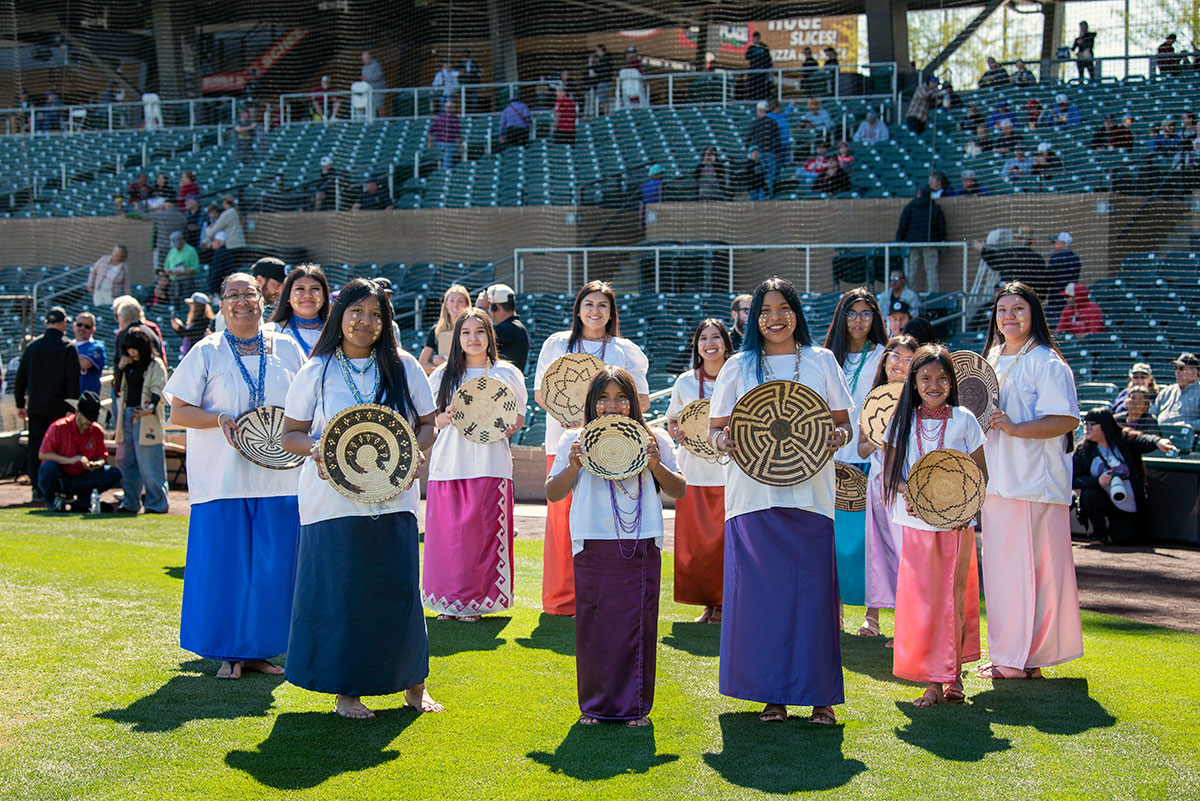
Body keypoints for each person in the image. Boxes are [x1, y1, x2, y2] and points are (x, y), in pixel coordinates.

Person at [281, 278, 442, 718]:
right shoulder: (316, 370)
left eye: (375, 314)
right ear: (339, 315)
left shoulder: (404, 366)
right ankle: (347, 691)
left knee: (399, 590)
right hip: (331, 502)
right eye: (356, 311)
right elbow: (290, 434)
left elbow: (428, 424)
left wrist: (414, 452)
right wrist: (320, 449)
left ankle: (414, 685)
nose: (365, 321)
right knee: (344, 593)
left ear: (385, 321)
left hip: (394, 498)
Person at [709, 276, 852, 725]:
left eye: (784, 308)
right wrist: (724, 442)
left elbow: (844, 424)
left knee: (813, 597)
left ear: (796, 313)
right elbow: (715, 431)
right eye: (766, 310)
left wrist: (838, 436)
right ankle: (771, 695)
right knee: (764, 599)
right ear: (754, 318)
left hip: (812, 496)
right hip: (753, 498)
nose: (775, 318)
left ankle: (821, 696)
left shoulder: (822, 360)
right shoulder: (738, 366)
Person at [165, 273, 304, 678]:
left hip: (280, 479)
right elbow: (179, 411)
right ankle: (228, 651)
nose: (242, 301)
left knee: (273, 569)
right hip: (221, 480)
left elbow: (307, 403)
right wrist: (218, 418)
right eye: (232, 295)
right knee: (224, 568)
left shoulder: (287, 347)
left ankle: (260, 650)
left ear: (263, 300)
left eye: (249, 293)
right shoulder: (207, 350)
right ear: (221, 304)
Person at [547, 366, 684, 726]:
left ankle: (635, 707)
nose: (612, 405)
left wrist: (655, 464)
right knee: (594, 625)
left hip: (641, 540)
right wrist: (573, 465)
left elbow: (679, 489)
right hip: (592, 540)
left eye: (621, 397)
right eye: (603, 398)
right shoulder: (573, 439)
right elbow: (553, 492)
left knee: (637, 624)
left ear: (633, 402)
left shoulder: (654, 438)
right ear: (592, 402)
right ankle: (594, 706)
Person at [979, 281, 1083, 680]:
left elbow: (1066, 419)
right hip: (997, 482)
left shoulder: (1046, 361)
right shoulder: (990, 358)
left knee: (1028, 573)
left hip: (1032, 484)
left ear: (1034, 314)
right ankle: (1012, 655)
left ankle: (1020, 659)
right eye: (1002, 310)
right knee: (1003, 574)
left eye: (1018, 309)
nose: (1009, 316)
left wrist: (1017, 428)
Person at [534, 281, 650, 617]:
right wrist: (571, 416)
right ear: (578, 309)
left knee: (604, 518)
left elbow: (641, 400)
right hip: (565, 444)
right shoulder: (557, 344)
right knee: (562, 523)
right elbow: (542, 392)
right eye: (589, 304)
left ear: (612, 312)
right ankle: (562, 600)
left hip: (613, 448)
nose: (595, 311)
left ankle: (603, 595)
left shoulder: (624, 350)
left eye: (602, 305)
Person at [883, 344, 987, 706]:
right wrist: (912, 494)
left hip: (956, 526)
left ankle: (951, 676)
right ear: (913, 382)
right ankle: (932, 680)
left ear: (952, 382)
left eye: (942, 378)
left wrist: (961, 505)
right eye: (925, 377)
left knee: (953, 599)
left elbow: (980, 474)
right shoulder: (901, 421)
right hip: (916, 525)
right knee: (923, 603)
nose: (934, 384)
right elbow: (891, 476)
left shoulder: (964, 420)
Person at [424, 309, 526, 621]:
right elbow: (430, 421)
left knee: (480, 536)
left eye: (479, 331)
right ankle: (447, 602)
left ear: (490, 336)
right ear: (457, 338)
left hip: (490, 463)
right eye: (466, 332)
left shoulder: (506, 373)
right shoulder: (442, 375)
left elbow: (518, 417)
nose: (473, 338)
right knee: (449, 537)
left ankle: (477, 602)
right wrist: (446, 417)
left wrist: (508, 426)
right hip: (449, 463)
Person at [824, 289, 888, 614]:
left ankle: (871, 614)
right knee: (834, 540)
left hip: (868, 457)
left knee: (868, 539)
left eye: (866, 313)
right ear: (841, 317)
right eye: (852, 313)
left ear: (875, 317)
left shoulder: (883, 356)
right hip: (831, 458)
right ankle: (833, 611)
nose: (858, 320)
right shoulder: (827, 358)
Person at [666, 319, 732, 624]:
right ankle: (707, 603)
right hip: (692, 471)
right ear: (697, 345)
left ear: (726, 343)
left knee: (723, 540)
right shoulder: (685, 381)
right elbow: (673, 421)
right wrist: (678, 432)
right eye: (703, 338)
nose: (709, 343)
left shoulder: (738, 376)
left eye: (716, 337)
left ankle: (724, 602)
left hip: (729, 471)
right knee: (697, 541)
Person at [856, 334, 918, 641]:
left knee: (907, 550)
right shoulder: (873, 400)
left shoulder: (921, 398)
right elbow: (861, 450)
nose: (901, 364)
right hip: (879, 482)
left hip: (907, 482)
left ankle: (909, 625)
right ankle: (873, 619)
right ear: (885, 361)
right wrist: (874, 437)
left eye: (909, 359)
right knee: (878, 549)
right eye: (896, 357)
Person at [1073, 408, 1175, 545]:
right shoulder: (1083, 450)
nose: (1087, 428)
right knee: (1089, 494)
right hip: (1101, 497)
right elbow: (1074, 479)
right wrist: (1097, 481)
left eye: (1091, 424)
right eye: (1086, 424)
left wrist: (1158, 442)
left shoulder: (1125, 439)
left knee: (1124, 538)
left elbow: (1144, 440)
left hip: (1126, 499)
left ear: (1105, 425)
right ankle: (1099, 534)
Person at [15, 307, 79, 501]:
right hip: (59, 409)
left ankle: (38, 488)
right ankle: (57, 489)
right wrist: (72, 408)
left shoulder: (33, 346)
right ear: (63, 324)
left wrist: (20, 404)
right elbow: (73, 381)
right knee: (59, 448)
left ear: (46, 323)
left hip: (36, 407)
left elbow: (20, 378)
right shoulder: (67, 347)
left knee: (36, 447)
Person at [112, 326, 169, 516]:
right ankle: (130, 502)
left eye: (134, 348)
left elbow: (158, 389)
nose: (132, 352)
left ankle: (157, 503)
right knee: (126, 461)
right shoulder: (127, 363)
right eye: (128, 349)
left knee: (150, 462)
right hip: (127, 414)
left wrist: (148, 409)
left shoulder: (155, 364)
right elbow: (117, 389)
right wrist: (120, 368)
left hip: (146, 417)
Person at [36, 391, 121, 512]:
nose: (89, 422)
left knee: (113, 473)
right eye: (87, 417)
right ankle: (51, 501)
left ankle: (83, 501)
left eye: (92, 418)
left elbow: (102, 457)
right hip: (62, 475)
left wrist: (95, 464)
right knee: (47, 468)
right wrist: (70, 460)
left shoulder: (96, 430)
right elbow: (43, 454)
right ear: (77, 412)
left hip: (84, 476)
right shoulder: (58, 428)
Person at [262, 264, 329, 358]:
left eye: (315, 289)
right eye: (300, 289)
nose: (307, 295)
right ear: (288, 297)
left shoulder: (338, 333)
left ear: (324, 296)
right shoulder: (270, 332)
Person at [895, 186, 946, 293]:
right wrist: (941, 242)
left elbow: (903, 225)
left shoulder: (910, 207)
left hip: (913, 243)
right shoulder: (935, 207)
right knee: (931, 270)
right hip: (930, 243)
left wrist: (899, 240)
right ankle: (933, 294)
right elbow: (941, 227)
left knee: (911, 270)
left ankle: (908, 293)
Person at [419, 284, 472, 374]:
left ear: (467, 304)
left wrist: (444, 364)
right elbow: (422, 364)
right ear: (446, 304)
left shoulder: (471, 331)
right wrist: (441, 369)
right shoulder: (436, 331)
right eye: (451, 301)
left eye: (460, 301)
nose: (455, 305)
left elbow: (472, 365)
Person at [482, 283, 529, 373]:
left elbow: (478, 334)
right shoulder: (515, 328)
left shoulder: (509, 329)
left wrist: (479, 308)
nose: (488, 311)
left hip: (505, 380)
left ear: (496, 308)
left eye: (489, 307)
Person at [1150, 353, 1200, 429]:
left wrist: (1187, 426)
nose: (1177, 371)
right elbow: (1152, 414)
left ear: (1194, 372)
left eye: (1181, 368)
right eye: (1175, 368)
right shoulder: (1166, 392)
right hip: (1159, 433)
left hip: (1185, 434)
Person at [746, 101, 780, 198]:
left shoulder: (755, 123)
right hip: (770, 153)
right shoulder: (772, 122)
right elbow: (778, 139)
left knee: (760, 177)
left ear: (759, 110)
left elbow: (748, 138)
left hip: (759, 154)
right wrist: (777, 152)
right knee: (769, 177)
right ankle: (768, 197)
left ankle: (760, 199)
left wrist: (747, 149)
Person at [171, 292, 215, 356]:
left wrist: (180, 328)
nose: (190, 306)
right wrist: (178, 328)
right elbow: (188, 336)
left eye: (192, 304)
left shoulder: (204, 320)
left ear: (198, 306)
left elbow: (193, 335)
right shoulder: (196, 320)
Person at [73, 312, 106, 398]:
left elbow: (84, 364)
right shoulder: (68, 345)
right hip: (68, 397)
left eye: (87, 326)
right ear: (74, 326)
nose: (82, 328)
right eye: (79, 325)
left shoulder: (96, 347)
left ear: (93, 330)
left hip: (87, 398)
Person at [163, 230, 200, 306]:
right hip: (173, 282)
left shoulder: (191, 250)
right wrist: (169, 271)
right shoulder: (172, 251)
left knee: (185, 304)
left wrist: (183, 272)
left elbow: (195, 268)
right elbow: (166, 266)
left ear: (182, 241)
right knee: (174, 303)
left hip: (186, 282)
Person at [429, 100, 461, 171]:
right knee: (446, 165)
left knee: (444, 161)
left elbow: (430, 131)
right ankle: (444, 174)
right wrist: (460, 146)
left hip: (440, 143)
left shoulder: (439, 117)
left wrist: (430, 143)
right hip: (447, 144)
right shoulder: (454, 118)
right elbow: (457, 134)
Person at [206, 231, 236, 297]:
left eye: (214, 240)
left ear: (219, 242)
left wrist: (212, 289)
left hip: (220, 289)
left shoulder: (219, 254)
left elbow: (216, 272)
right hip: (226, 287)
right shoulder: (225, 252)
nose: (212, 243)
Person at [744, 31, 773, 100]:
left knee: (762, 87)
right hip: (754, 72)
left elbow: (768, 59)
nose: (756, 40)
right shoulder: (751, 47)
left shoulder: (764, 47)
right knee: (753, 87)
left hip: (762, 72)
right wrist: (751, 47)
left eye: (757, 38)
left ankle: (762, 99)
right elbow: (747, 57)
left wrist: (769, 69)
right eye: (755, 38)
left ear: (759, 38)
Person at [361, 51, 387, 115]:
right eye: (363, 59)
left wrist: (368, 79)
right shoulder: (364, 67)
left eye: (365, 58)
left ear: (369, 57)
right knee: (370, 107)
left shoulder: (376, 65)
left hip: (378, 90)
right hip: (369, 91)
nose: (364, 60)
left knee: (379, 107)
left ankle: (382, 119)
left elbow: (378, 75)